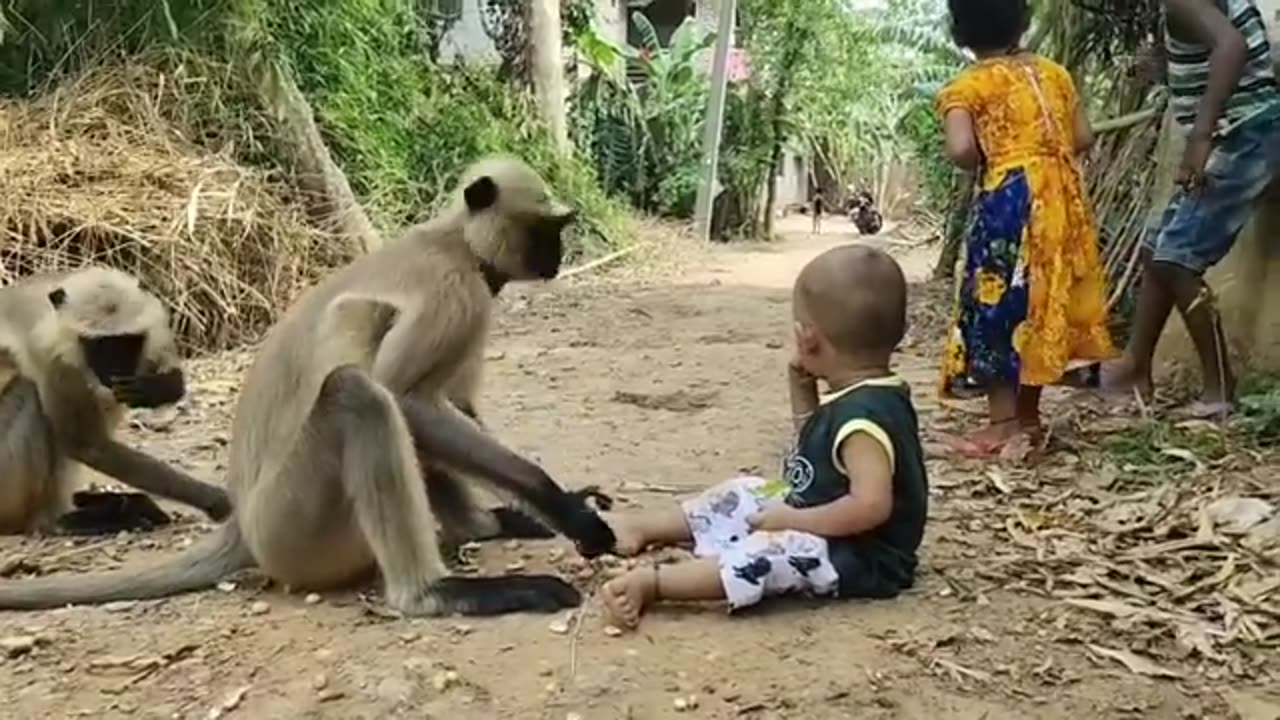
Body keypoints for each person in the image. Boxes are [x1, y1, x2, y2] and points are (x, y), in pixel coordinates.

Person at [598, 245, 928, 629]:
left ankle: (656, 584)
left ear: (807, 340)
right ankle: (647, 526)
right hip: (821, 512)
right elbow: (816, 445)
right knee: (742, 492)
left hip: (862, 554)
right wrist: (802, 390)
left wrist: (796, 521)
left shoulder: (864, 420)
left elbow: (870, 507)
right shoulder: (868, 393)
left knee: (762, 556)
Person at [935, 0, 1115, 457]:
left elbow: (960, 150)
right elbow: (1083, 138)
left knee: (1000, 304)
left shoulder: (968, 85)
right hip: (1061, 204)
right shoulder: (1056, 74)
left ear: (961, 31)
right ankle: (1030, 418)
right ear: (1024, 22)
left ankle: (1002, 425)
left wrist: (993, 148)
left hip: (1010, 202)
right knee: (1042, 305)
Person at [1094, 0, 1280, 419]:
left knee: (1177, 260)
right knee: (1156, 246)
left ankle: (1220, 391)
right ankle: (1134, 367)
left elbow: (1231, 45)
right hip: (1241, 132)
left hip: (1245, 136)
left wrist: (1200, 136)